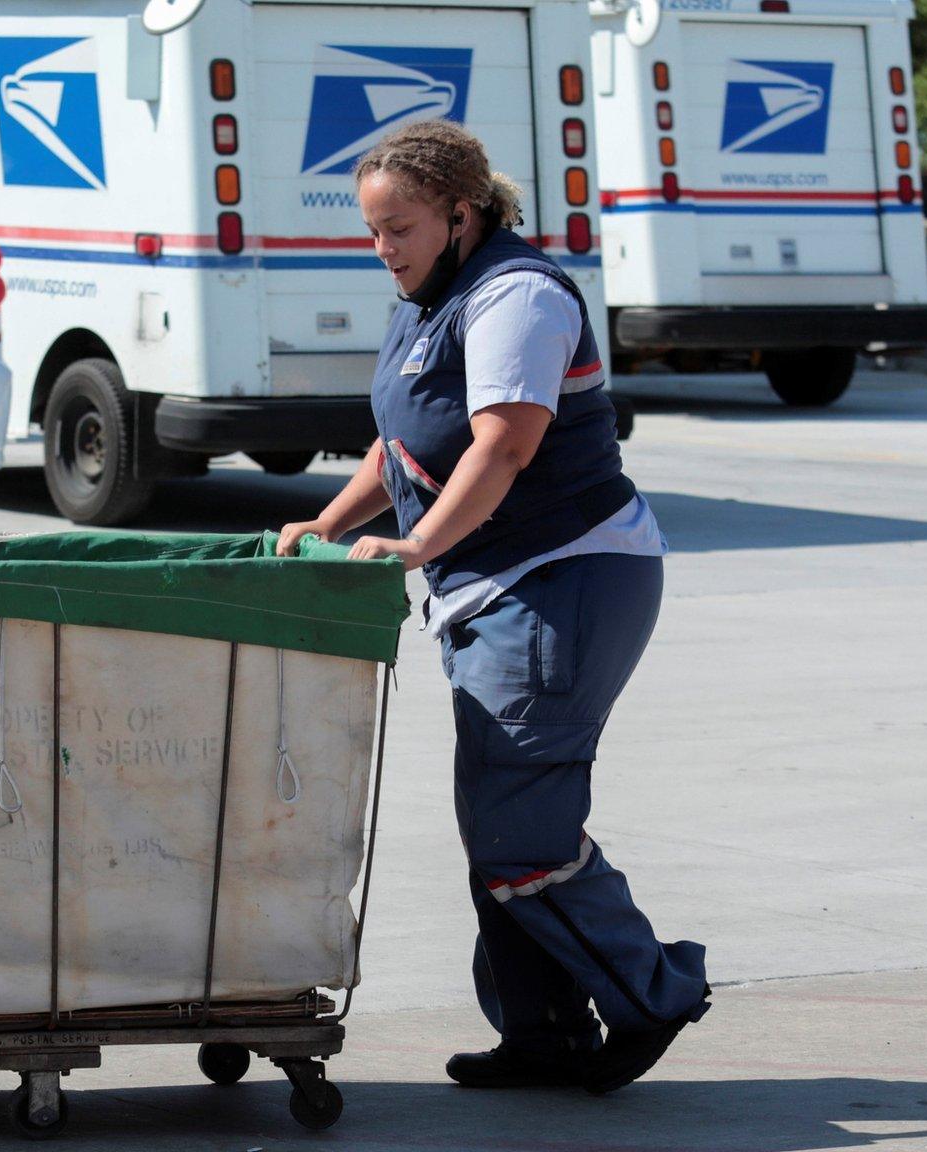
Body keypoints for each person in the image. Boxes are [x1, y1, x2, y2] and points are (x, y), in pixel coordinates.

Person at [276, 121, 709, 1094]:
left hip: (564, 576)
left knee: (521, 827)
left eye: (399, 228)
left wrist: (418, 546)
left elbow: (503, 446)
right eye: (372, 231)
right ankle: (543, 1034)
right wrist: (328, 522)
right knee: (497, 821)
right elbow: (403, 447)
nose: (382, 249)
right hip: (495, 586)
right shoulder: (429, 298)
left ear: (460, 215)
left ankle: (652, 991)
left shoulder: (514, 297)